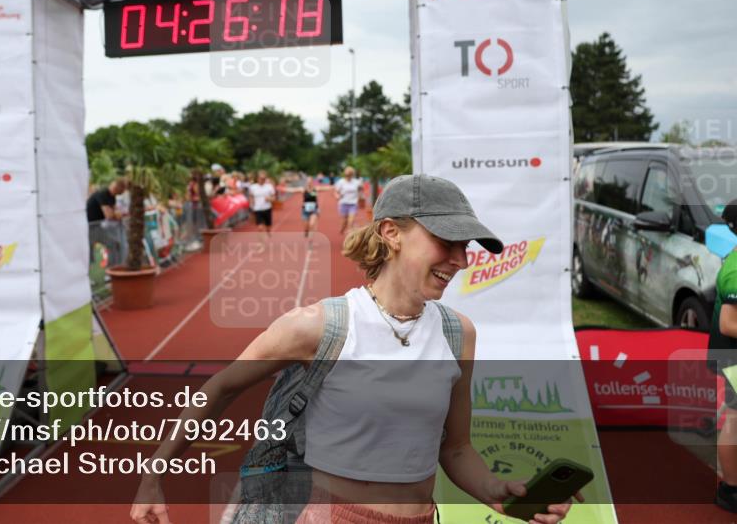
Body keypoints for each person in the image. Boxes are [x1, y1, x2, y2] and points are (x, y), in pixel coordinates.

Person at [131, 175, 580, 524]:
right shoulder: (322, 326)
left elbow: (456, 448)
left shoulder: (458, 334)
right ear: (391, 232)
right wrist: (153, 474)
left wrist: (497, 490)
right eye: (447, 243)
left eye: (465, 247)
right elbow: (222, 387)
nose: (461, 261)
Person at [709, 200, 737, 512]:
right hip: (733, 356)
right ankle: (731, 489)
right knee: (735, 418)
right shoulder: (736, 269)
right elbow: (728, 324)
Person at [335, 166, 364, 234]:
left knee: (351, 222)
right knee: (344, 221)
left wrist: (361, 198)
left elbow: (360, 190)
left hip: (353, 204)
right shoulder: (341, 182)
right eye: (346, 175)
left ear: (352, 175)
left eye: (349, 175)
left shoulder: (356, 182)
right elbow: (336, 192)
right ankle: (343, 228)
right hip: (343, 203)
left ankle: (349, 239)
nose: (347, 176)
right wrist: (337, 196)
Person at [248, 170, 276, 235]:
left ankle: (268, 233)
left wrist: (270, 199)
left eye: (264, 178)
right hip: (257, 209)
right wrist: (251, 206)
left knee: (268, 227)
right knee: (260, 227)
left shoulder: (269, 186)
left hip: (267, 208)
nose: (262, 180)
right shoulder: (253, 187)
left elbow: (274, 198)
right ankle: (261, 243)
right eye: (261, 178)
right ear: (257, 178)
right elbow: (251, 197)